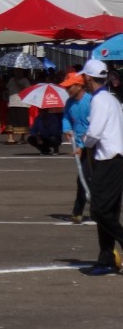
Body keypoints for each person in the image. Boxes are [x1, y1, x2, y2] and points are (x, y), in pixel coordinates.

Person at [76, 59, 123, 276]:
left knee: (99, 210)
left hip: (110, 159)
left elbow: (94, 133)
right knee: (109, 210)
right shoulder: (111, 99)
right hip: (114, 158)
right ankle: (105, 258)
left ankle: (112, 252)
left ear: (88, 77)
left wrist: (83, 141)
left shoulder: (99, 100)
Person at [61, 70, 92, 223]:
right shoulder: (70, 103)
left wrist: (83, 146)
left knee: (87, 178)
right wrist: (67, 129)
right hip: (81, 143)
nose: (67, 90)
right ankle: (78, 211)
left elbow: (95, 128)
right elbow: (66, 117)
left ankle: (94, 209)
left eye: (70, 87)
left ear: (79, 86)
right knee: (83, 178)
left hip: (94, 145)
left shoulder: (91, 101)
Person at [4, 68, 31, 144]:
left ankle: (22, 138)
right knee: (11, 120)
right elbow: (8, 89)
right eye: (16, 71)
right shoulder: (11, 80)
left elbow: (27, 89)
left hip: (22, 103)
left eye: (19, 71)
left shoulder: (25, 80)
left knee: (22, 121)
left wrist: (18, 82)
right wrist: (7, 99)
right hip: (12, 102)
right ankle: (10, 138)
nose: (17, 72)